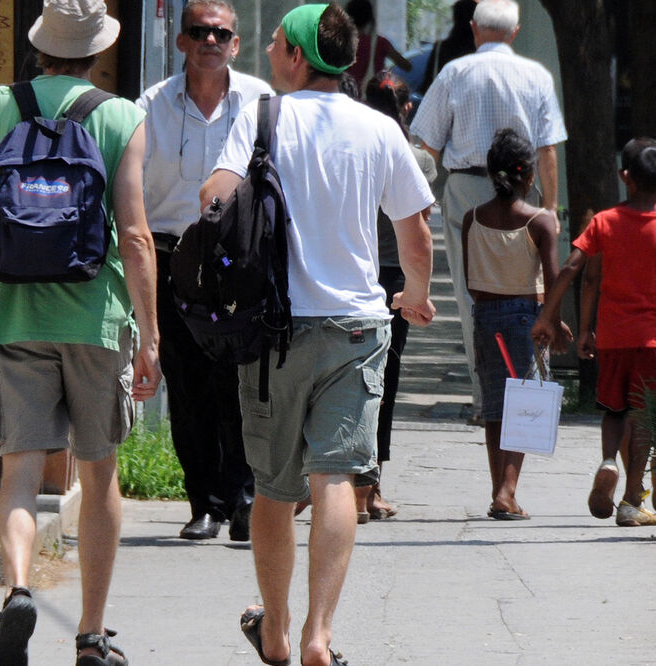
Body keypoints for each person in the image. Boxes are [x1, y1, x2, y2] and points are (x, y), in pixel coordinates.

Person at [200, 5, 435, 664]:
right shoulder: (379, 128)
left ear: (298, 55)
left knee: (274, 492)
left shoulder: (261, 117)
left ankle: (274, 630)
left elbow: (213, 200)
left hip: (273, 329)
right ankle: (319, 635)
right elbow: (414, 232)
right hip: (358, 327)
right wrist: (413, 296)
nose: (269, 51)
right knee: (336, 479)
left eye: (274, 42)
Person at [0, 1, 161, 663]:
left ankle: (20, 591)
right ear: (99, 51)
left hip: (13, 311)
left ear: (40, 46)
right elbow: (138, 236)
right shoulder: (120, 116)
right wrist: (150, 336)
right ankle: (90, 635)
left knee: (21, 474)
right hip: (95, 317)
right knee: (100, 472)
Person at [136, 0, 271, 542]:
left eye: (220, 33)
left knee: (238, 382)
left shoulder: (261, 100)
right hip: (173, 256)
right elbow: (133, 188)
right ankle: (203, 504)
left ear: (235, 44)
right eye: (199, 31)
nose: (210, 41)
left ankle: (242, 497)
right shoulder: (150, 104)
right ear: (181, 42)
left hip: (239, 261)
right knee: (188, 385)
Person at [409, 0, 567, 426]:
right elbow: (547, 147)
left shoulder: (454, 73)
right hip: (523, 194)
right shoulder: (536, 76)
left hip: (467, 191)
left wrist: (417, 204)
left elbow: (427, 145)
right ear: (514, 33)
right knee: (530, 294)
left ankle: (486, 402)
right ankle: (531, 396)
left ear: (475, 29)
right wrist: (549, 209)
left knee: (471, 296)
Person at [531, 137, 656, 528]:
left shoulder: (605, 221)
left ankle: (608, 460)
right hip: (655, 339)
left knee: (614, 410)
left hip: (613, 336)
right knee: (644, 416)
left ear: (626, 178)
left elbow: (575, 269)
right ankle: (631, 498)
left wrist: (548, 317)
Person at [462, 128, 568, 520]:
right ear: (529, 177)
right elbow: (554, 279)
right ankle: (506, 493)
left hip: (485, 317)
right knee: (525, 405)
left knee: (495, 407)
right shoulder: (540, 222)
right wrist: (552, 321)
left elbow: (472, 282)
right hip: (526, 317)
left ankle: (499, 492)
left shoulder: (473, 219)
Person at [357, 69, 437, 522]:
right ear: (407, 107)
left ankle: (342, 479)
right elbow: (419, 222)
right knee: (384, 378)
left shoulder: (356, 144)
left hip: (354, 268)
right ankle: (371, 486)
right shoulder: (418, 160)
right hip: (396, 277)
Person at [344, 0, 414, 92]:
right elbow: (407, 66)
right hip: (372, 99)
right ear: (369, 19)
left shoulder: (342, 42)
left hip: (347, 97)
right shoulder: (379, 43)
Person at [418, 0, 477, 94]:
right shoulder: (481, 50)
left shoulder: (441, 49)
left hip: (445, 104)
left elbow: (428, 84)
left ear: (455, 18)